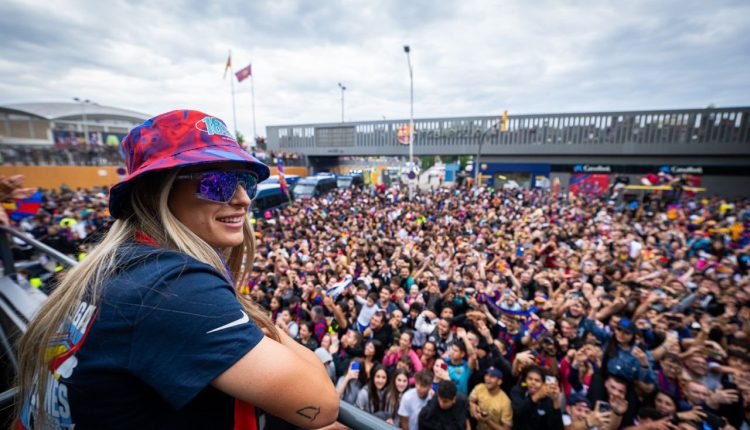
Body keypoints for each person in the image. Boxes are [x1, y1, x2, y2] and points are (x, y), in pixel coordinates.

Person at [15, 110, 338, 429]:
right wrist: (258, 324)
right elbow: (322, 406)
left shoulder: (121, 266)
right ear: (158, 192)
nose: (243, 199)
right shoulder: (171, 286)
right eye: (218, 183)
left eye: (247, 183)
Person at [509, 366, 563, 430]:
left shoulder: (548, 398)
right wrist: (537, 396)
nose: (533, 382)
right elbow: (518, 411)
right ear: (525, 380)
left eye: (537, 380)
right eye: (530, 379)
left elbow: (557, 427)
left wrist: (555, 401)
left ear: (543, 383)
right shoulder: (518, 390)